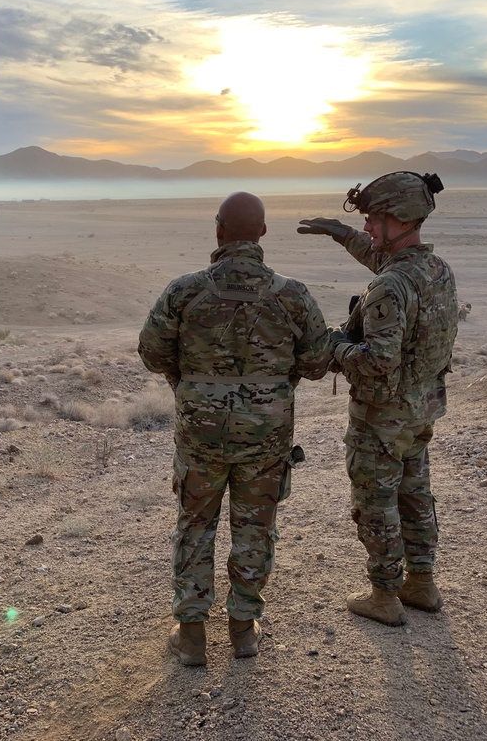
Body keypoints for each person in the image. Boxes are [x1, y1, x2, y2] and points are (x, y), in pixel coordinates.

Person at [139, 191, 332, 666]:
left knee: (195, 526)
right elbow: (317, 362)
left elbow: (151, 351)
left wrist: (185, 382)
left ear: (219, 229)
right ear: (262, 232)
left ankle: (191, 636)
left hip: (200, 437)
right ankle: (243, 629)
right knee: (255, 529)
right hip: (266, 439)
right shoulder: (292, 295)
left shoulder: (185, 291)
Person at [298, 172, 458, 627]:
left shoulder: (390, 286)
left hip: (381, 416)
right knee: (414, 492)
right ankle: (422, 584)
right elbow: (388, 264)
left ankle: (384, 595)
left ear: (400, 219)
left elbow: (376, 361)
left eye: (372, 220)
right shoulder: (436, 270)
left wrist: (331, 347)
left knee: (376, 502)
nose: (367, 228)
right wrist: (341, 233)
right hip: (420, 410)